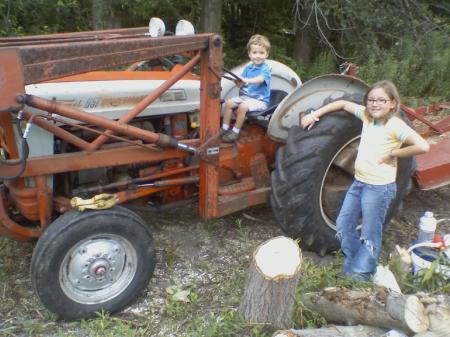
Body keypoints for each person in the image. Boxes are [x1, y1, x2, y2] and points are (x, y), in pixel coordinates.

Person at [301, 80, 430, 280]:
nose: (375, 104)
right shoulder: (367, 117)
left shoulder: (395, 125)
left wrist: (393, 153)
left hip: (379, 189)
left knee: (370, 233)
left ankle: (362, 274)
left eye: (381, 100)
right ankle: (355, 264)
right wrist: (314, 114)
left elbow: (423, 146)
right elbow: (343, 104)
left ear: (392, 104)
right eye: (371, 100)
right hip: (359, 183)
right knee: (343, 225)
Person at [221, 34, 271, 142]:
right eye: (254, 52)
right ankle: (224, 128)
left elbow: (261, 79)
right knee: (228, 103)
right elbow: (241, 84)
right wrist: (238, 82)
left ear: (266, 54)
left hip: (260, 101)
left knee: (243, 107)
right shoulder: (248, 67)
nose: (258, 56)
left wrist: (246, 80)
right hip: (246, 97)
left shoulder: (265, 69)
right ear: (249, 54)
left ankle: (235, 132)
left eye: (261, 53)